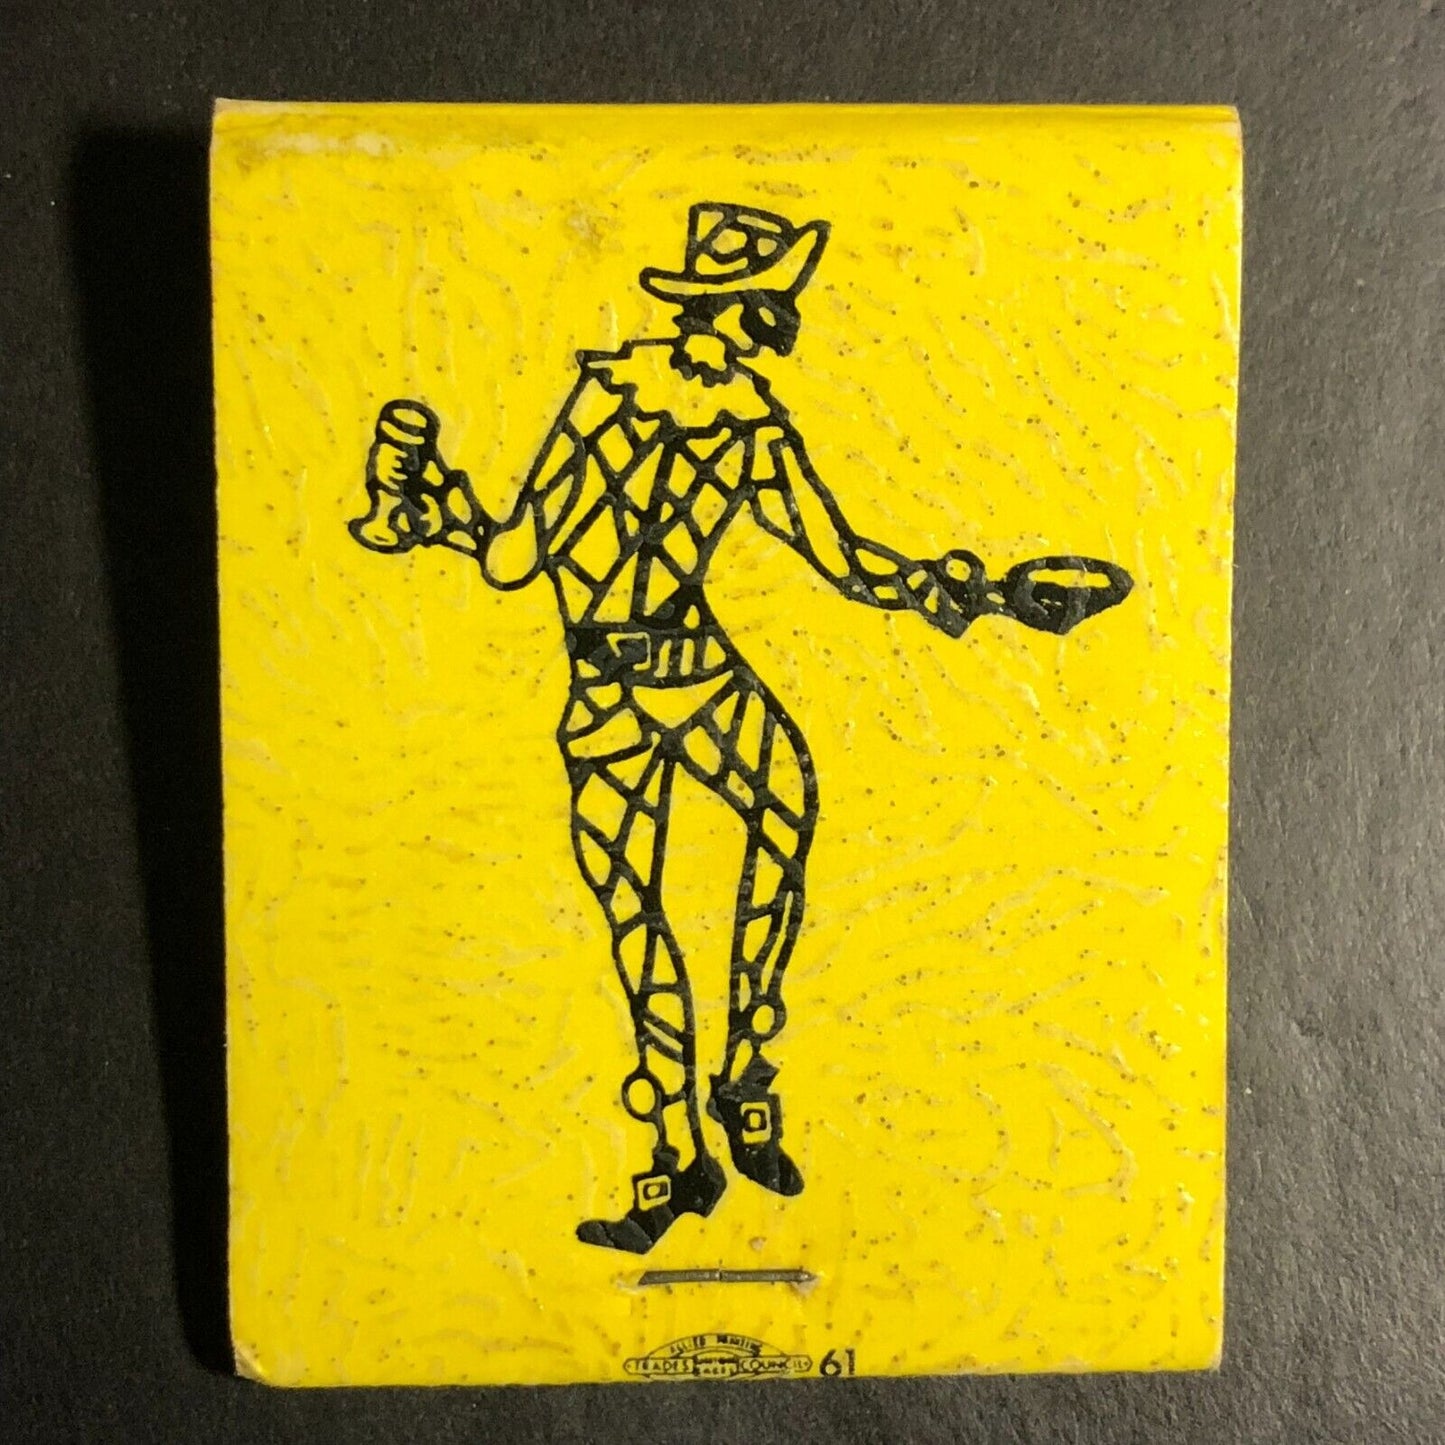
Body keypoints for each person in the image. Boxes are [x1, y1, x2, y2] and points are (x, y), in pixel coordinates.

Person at [350, 201, 1132, 1253]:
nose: (776, 333)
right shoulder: (664, 412)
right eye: (769, 311)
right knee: (666, 894)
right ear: (731, 311)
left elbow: (519, 556)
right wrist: (975, 591)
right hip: (636, 693)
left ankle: (726, 1096)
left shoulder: (697, 418)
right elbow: (531, 554)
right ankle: (693, 1136)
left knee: (739, 841)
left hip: (659, 680)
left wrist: (980, 591)